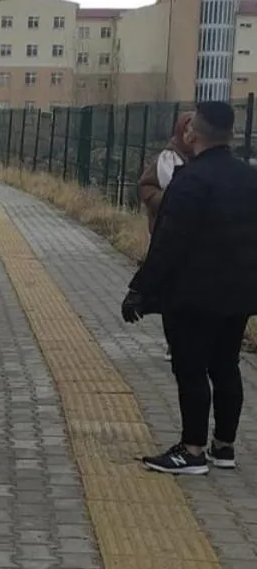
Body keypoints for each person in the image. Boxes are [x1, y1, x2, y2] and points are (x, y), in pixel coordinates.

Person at [122, 101, 257, 475]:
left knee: (191, 369)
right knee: (226, 365)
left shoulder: (190, 180)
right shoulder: (249, 178)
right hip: (239, 293)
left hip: (193, 296)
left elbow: (169, 243)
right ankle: (224, 447)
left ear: (193, 133)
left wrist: (140, 290)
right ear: (231, 133)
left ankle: (192, 449)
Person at [137, 111, 194, 362]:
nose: (191, 134)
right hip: (167, 235)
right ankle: (175, 342)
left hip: (198, 240)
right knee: (172, 289)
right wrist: (166, 201)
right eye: (187, 128)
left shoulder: (208, 159)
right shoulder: (167, 158)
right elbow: (149, 187)